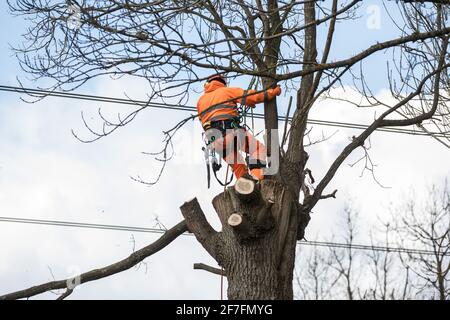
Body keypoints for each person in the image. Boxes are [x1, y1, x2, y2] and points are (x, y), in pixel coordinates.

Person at [197, 74, 281, 180]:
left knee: (239, 167)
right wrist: (272, 92)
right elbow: (251, 97)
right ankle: (257, 178)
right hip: (231, 134)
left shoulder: (200, 102)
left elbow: (204, 122)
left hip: (215, 143)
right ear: (222, 82)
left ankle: (246, 189)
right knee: (258, 150)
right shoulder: (226, 91)